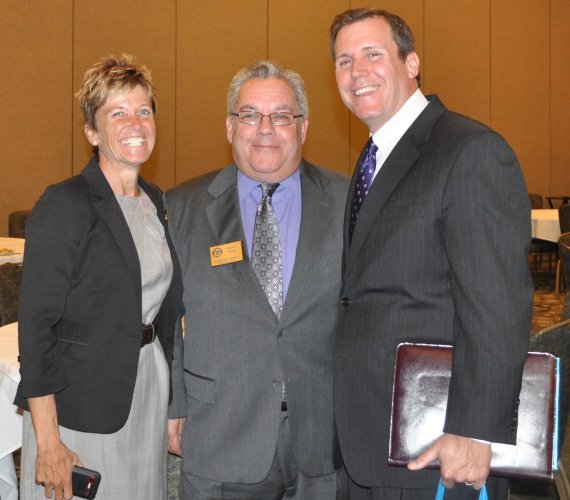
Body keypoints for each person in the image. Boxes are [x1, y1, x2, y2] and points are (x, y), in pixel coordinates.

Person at [329, 8, 534, 500]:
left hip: (440, 449)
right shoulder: (374, 157)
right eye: (343, 61)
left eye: (372, 54)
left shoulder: (470, 151)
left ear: (412, 62)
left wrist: (475, 430)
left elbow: (497, 306)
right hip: (372, 440)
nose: (357, 72)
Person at [166, 60, 349, 499]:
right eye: (250, 114)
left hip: (323, 441)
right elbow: (165, 319)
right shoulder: (182, 207)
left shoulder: (349, 203)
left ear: (303, 127)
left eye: (281, 115)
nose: (265, 128)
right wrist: (174, 403)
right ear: (230, 127)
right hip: (221, 435)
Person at [14, 54, 183, 500]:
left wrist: (174, 400)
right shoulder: (65, 204)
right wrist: (48, 441)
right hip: (78, 407)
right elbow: (36, 329)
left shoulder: (156, 202)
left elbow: (165, 314)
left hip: (146, 389)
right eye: (117, 113)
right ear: (92, 131)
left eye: (143, 110)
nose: (136, 123)